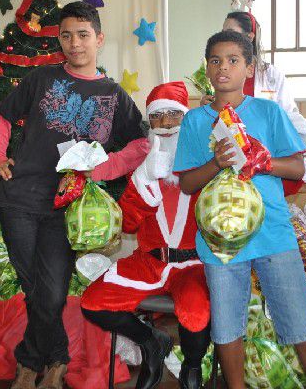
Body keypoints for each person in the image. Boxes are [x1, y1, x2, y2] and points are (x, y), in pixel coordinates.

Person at [0, 1, 147, 389]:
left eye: (83, 35)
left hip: (67, 209)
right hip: (20, 199)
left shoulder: (113, 95)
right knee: (33, 287)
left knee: (52, 291)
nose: (75, 43)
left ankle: (33, 359)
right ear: (59, 39)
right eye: (66, 35)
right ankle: (50, 362)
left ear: (99, 39)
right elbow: (2, 115)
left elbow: (141, 143)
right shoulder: (40, 79)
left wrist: (102, 170)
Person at [173, 30, 306, 389]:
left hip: (273, 234)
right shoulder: (195, 121)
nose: (223, 68)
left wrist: (263, 162)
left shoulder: (268, 111)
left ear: (249, 68)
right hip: (220, 241)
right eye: (215, 60)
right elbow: (187, 184)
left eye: (233, 60)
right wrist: (217, 162)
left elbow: (297, 168)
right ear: (207, 67)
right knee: (228, 327)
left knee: (300, 321)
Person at [81, 81, 210, 389]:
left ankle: (192, 367)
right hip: (148, 262)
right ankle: (152, 342)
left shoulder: (204, 158)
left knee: (195, 311)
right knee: (94, 302)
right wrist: (143, 178)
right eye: (156, 116)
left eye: (173, 115)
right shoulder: (140, 162)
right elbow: (127, 224)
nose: (164, 124)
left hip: (194, 265)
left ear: (185, 117)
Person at [202, 10, 306, 150]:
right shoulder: (218, 72)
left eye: (231, 32)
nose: (225, 37)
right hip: (229, 149)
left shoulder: (271, 75)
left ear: (250, 37)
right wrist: (206, 109)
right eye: (223, 32)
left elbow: (289, 117)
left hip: (268, 147)